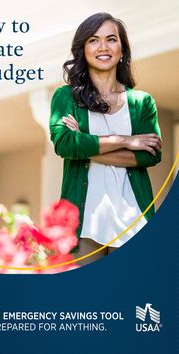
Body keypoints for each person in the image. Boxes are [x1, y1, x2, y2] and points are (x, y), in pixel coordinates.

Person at [49, 13, 162, 266]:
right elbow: (64, 144)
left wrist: (84, 144)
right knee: (86, 303)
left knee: (129, 302)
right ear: (82, 50)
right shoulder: (66, 97)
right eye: (93, 40)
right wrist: (127, 140)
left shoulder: (142, 102)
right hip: (85, 225)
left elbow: (150, 154)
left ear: (122, 49)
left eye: (111, 39)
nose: (103, 47)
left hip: (134, 223)